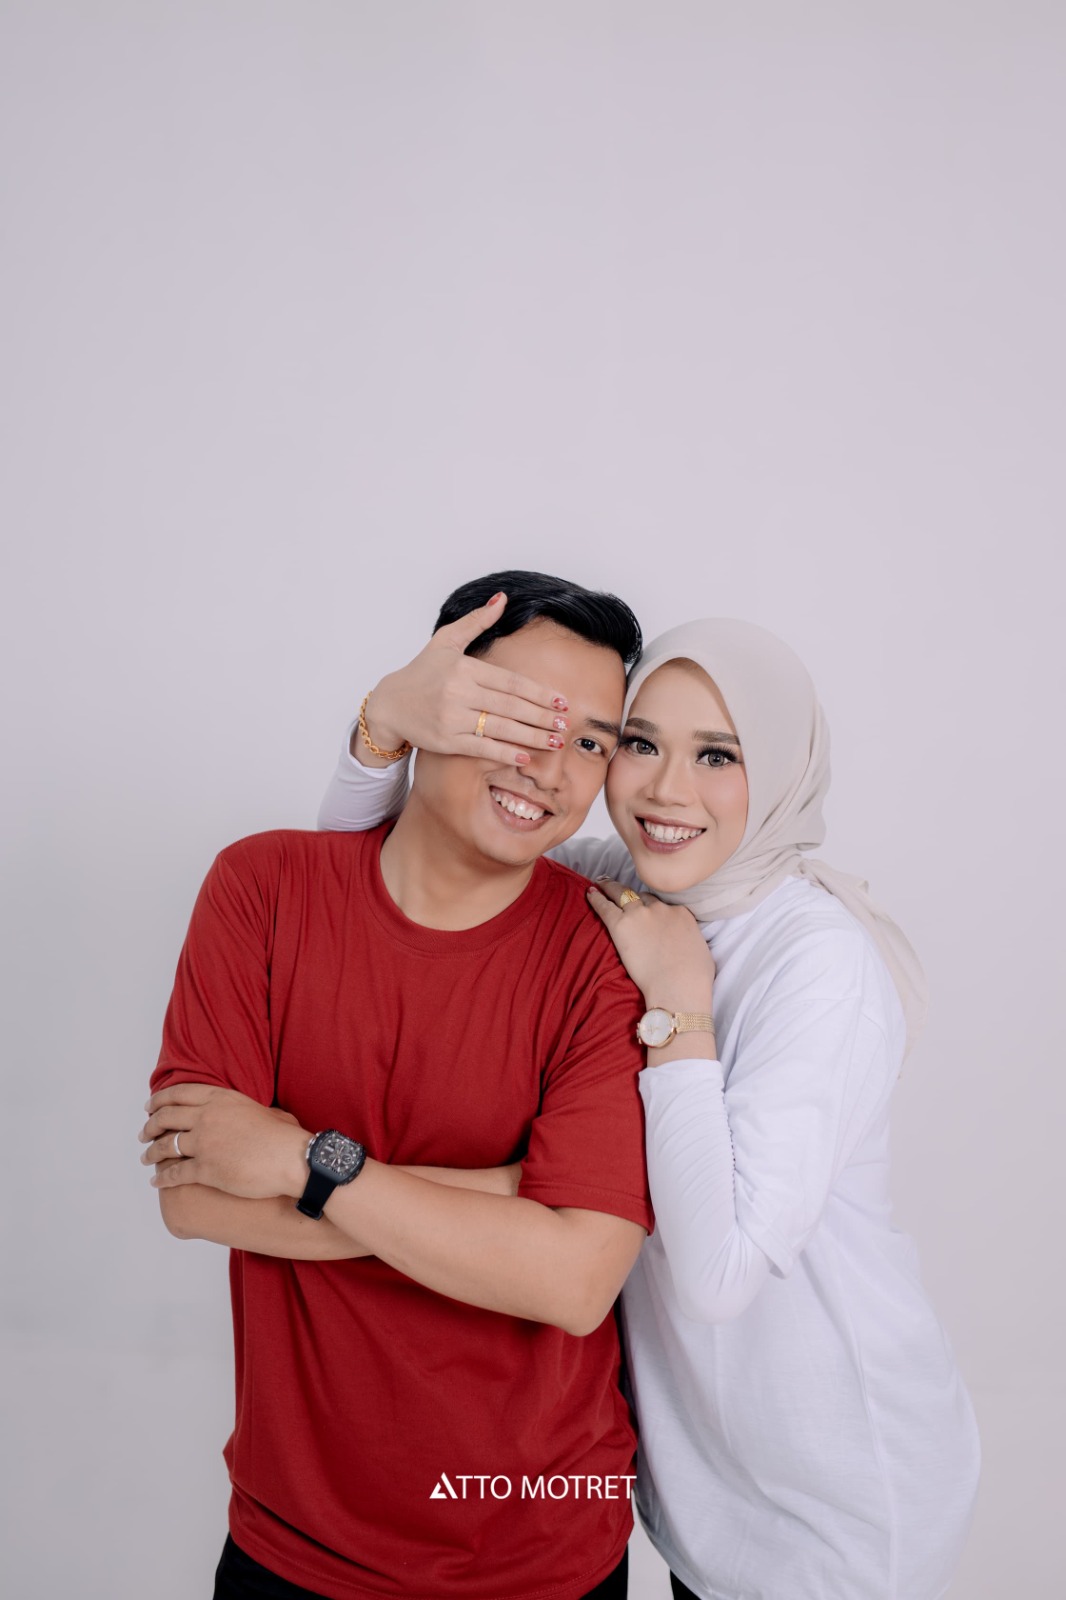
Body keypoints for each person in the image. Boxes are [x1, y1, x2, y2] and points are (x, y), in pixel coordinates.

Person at [317, 609, 982, 1600]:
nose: (667, 790)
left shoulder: (818, 961)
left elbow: (717, 1274)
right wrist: (384, 729)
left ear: (781, 768)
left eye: (717, 754)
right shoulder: (623, 886)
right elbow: (378, 883)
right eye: (640, 743)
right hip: (700, 1496)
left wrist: (679, 1009)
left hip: (838, 1499)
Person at [139, 570, 657, 1600]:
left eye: (593, 742)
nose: (552, 767)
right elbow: (194, 1197)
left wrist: (300, 1161)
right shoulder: (260, 888)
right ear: (435, 698)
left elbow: (572, 1281)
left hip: (539, 1547)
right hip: (294, 1538)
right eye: (520, 716)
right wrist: (507, 1200)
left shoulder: (608, 952)